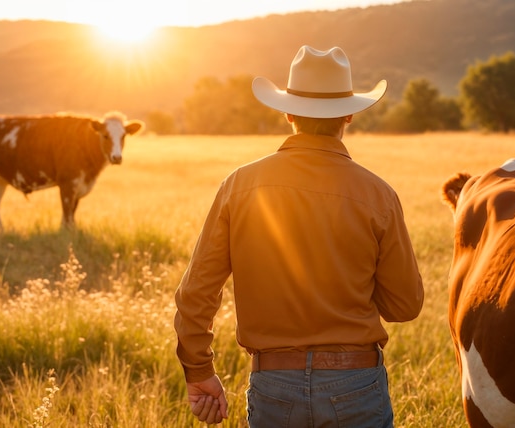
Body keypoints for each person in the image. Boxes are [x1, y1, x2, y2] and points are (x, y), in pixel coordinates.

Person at [174, 45, 424, 427]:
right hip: (356, 382)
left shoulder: (239, 186)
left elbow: (196, 294)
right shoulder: (379, 195)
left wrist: (198, 370)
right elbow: (405, 307)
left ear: (287, 112)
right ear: (350, 114)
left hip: (274, 385)